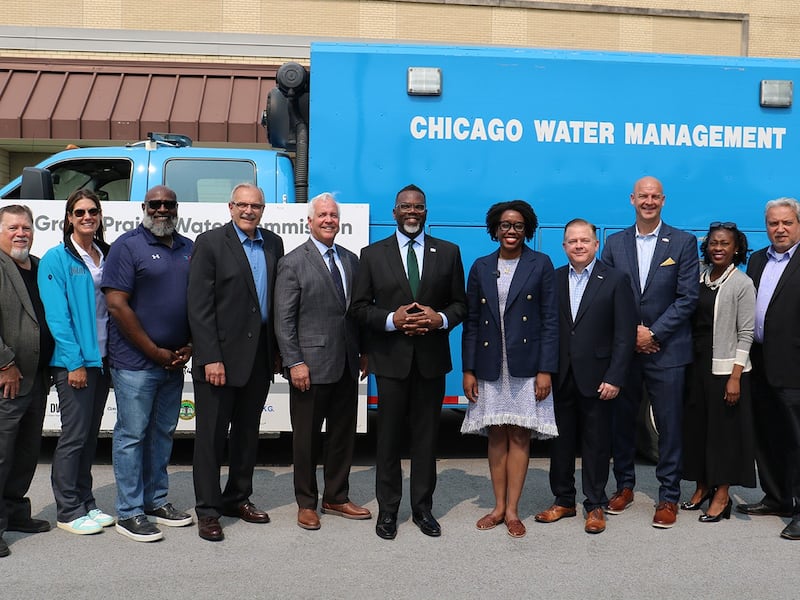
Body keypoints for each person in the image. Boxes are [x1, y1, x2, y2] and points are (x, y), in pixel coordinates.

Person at [351, 184, 466, 540]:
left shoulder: (448, 252)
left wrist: (439, 319)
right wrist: (392, 320)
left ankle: (422, 509)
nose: (412, 212)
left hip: (431, 362)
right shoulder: (371, 255)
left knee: (426, 440)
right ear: (394, 212)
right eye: (405, 206)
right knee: (387, 440)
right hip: (391, 361)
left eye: (418, 207)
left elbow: (460, 305)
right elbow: (358, 308)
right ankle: (388, 512)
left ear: (426, 212)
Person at [600, 176, 699, 528]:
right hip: (626, 352)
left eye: (655, 196)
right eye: (643, 196)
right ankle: (624, 487)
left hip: (667, 350)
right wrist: (632, 334)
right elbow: (607, 296)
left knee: (670, 427)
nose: (649, 201)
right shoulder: (613, 244)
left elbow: (688, 297)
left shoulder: (684, 242)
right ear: (632, 200)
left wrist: (653, 332)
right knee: (621, 423)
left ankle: (668, 496)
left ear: (663, 200)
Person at [188, 183, 284, 542]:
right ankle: (209, 511)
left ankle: (237, 498)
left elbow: (274, 302)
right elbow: (199, 307)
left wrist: (276, 351)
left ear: (263, 209)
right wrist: (210, 356)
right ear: (230, 207)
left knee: (247, 435)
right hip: (219, 360)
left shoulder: (273, 243)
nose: (249, 211)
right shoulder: (211, 243)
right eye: (242, 205)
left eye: (255, 206)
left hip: (258, 356)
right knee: (211, 439)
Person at [461, 200, 558, 539]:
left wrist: (546, 370)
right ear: (495, 229)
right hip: (490, 363)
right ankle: (498, 507)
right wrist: (468, 369)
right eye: (505, 225)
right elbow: (471, 321)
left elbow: (549, 321)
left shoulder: (541, 264)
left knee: (519, 434)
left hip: (526, 364)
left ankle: (514, 511)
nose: (511, 231)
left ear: (526, 229)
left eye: (517, 225)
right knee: (496, 434)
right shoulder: (481, 266)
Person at [102, 185, 194, 542]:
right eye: (155, 204)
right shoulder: (128, 246)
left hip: (173, 360)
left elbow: (198, 302)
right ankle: (129, 511)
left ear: (176, 208)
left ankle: (156, 501)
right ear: (144, 207)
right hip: (135, 363)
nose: (162, 210)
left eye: (168, 204)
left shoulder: (188, 248)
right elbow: (117, 306)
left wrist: (189, 345)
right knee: (131, 436)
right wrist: (154, 351)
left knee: (161, 434)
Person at [274, 192, 371, 530]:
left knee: (343, 436)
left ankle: (336, 496)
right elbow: (283, 319)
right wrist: (294, 361)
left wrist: (365, 351)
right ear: (309, 221)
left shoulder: (351, 259)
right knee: (307, 438)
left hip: (346, 363)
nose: (329, 220)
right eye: (323, 215)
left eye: (333, 215)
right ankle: (306, 502)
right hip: (309, 368)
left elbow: (356, 313)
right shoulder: (292, 262)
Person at [534, 218, 636, 534]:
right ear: (564, 246)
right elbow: (546, 329)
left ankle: (594, 504)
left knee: (596, 444)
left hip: (599, 377)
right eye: (572, 241)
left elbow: (624, 334)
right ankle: (563, 500)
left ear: (596, 244)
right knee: (560, 444)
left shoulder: (616, 280)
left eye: (584, 240)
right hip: (561, 376)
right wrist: (545, 372)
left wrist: (615, 377)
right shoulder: (553, 278)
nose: (578, 246)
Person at [38, 190, 114, 535]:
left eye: (93, 211)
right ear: (69, 217)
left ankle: (86, 502)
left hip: (103, 360)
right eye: (80, 211)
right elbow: (58, 317)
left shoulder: (105, 254)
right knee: (74, 436)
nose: (87, 217)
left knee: (89, 436)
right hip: (75, 363)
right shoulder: (57, 259)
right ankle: (68, 510)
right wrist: (74, 363)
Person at [681, 222, 755, 523]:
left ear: (736, 248)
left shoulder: (741, 283)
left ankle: (722, 495)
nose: (718, 248)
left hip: (725, 370)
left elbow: (746, 333)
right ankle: (701, 487)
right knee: (698, 430)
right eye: (713, 243)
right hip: (696, 365)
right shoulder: (699, 277)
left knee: (722, 435)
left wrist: (735, 376)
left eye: (725, 243)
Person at [739, 198, 800, 540]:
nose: (780, 229)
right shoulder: (759, 259)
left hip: (794, 365)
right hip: (759, 361)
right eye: (774, 223)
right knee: (768, 435)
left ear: (798, 224)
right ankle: (777, 498)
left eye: (787, 223)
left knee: (796, 440)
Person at [0, 205, 54, 558]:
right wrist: (4, 363)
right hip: (10, 376)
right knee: (1, 454)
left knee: (25, 451)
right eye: (13, 227)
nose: (21, 233)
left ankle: (16, 513)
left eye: (27, 227)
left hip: (37, 375)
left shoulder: (36, 265)